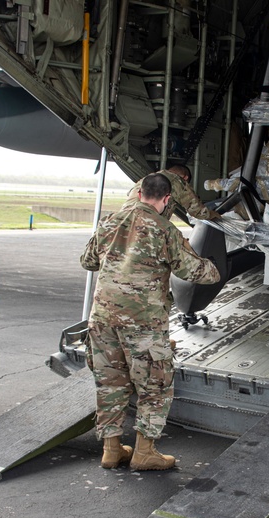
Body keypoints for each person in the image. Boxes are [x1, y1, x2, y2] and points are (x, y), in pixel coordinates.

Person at [81, 173, 220, 470]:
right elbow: (195, 272)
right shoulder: (164, 229)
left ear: (140, 192)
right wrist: (216, 267)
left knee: (110, 383)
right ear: (167, 199)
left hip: (103, 319)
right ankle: (144, 452)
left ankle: (111, 449)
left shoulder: (109, 221)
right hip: (142, 324)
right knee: (153, 386)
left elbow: (88, 261)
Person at [124, 164, 222, 221]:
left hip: (124, 219)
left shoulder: (148, 178)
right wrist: (214, 214)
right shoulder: (178, 181)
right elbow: (198, 211)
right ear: (185, 178)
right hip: (148, 225)